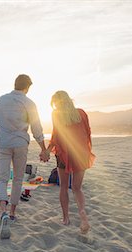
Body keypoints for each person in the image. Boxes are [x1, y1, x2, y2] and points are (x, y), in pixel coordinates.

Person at [0, 74, 49, 239]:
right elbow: (37, 129)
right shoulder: (30, 103)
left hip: (4, 142)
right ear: (27, 87)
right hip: (21, 143)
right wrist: (44, 149)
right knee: (18, 178)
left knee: (2, 178)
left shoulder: (1, 100)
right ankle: (13, 213)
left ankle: (3, 212)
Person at [44, 90, 95, 234]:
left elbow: (56, 135)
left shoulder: (56, 114)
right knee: (77, 188)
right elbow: (87, 132)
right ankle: (82, 214)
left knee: (64, 187)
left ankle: (66, 218)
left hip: (64, 154)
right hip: (80, 153)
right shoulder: (82, 113)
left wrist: (48, 150)